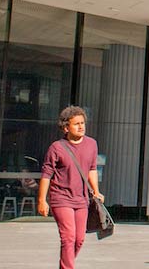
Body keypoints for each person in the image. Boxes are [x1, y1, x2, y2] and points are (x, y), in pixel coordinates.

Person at [38, 106, 103, 269]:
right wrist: (41, 200)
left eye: (83, 123)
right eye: (76, 124)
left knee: (79, 238)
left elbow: (92, 169)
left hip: (82, 199)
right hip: (61, 197)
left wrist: (96, 190)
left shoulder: (91, 144)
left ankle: (65, 265)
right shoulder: (57, 147)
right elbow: (46, 174)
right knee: (68, 237)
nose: (81, 127)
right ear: (66, 128)